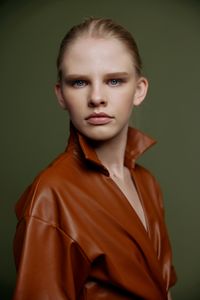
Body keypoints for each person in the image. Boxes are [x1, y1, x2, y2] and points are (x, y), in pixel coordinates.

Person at [13, 17, 177, 300]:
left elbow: (163, 289)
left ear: (139, 90)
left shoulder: (147, 183)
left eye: (114, 80)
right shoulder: (51, 195)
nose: (97, 97)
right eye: (79, 82)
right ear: (61, 95)